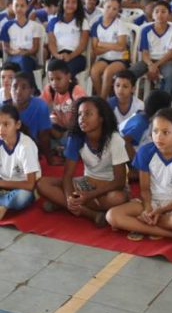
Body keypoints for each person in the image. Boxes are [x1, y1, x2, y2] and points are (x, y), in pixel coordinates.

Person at [107, 108, 172, 241]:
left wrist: (160, 212)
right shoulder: (145, 152)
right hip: (152, 201)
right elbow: (144, 189)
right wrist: (148, 208)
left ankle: (143, 223)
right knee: (111, 215)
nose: (158, 137)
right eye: (155, 131)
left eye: (166, 132)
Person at [37, 96, 128, 227]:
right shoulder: (76, 137)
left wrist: (89, 196)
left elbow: (119, 182)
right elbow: (67, 176)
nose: (82, 118)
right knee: (42, 183)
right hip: (86, 182)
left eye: (88, 114)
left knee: (118, 198)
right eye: (79, 114)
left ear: (101, 118)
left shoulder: (115, 139)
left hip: (108, 187)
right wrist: (70, 199)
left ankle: (60, 203)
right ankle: (90, 213)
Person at [129, 1, 172, 98]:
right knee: (129, 74)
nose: (160, 14)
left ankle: (165, 104)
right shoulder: (146, 30)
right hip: (148, 60)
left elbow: (171, 53)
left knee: (171, 75)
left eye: (163, 12)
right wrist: (151, 65)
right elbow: (144, 53)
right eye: (156, 12)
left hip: (167, 60)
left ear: (169, 15)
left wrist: (155, 65)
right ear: (152, 15)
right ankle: (130, 100)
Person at [90, 0, 130, 98]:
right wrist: (113, 46)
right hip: (103, 58)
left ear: (118, 10)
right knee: (94, 71)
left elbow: (122, 47)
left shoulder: (120, 24)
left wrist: (102, 44)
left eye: (115, 9)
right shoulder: (96, 25)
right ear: (103, 5)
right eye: (108, 7)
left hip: (119, 59)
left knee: (108, 73)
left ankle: (102, 102)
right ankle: (102, 97)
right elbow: (96, 50)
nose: (110, 11)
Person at [41, 58, 86, 141]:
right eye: (51, 79)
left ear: (68, 76)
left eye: (58, 79)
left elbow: (83, 110)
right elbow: (39, 105)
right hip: (59, 125)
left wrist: (72, 126)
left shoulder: (76, 90)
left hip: (76, 126)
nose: (54, 83)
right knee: (43, 123)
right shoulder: (50, 89)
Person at [47, 0, 90, 76]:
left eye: (74, 2)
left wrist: (70, 56)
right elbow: (51, 42)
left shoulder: (82, 21)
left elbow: (83, 44)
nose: (70, 5)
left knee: (66, 72)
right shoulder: (53, 21)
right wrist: (57, 55)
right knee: (53, 70)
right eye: (67, 2)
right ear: (62, 3)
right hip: (58, 56)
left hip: (76, 56)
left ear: (78, 5)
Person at [0, 0, 41, 73]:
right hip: (13, 57)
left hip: (30, 57)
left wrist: (25, 53)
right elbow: (5, 47)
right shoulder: (6, 25)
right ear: (12, 7)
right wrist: (14, 52)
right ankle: (30, 85)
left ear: (27, 7)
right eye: (16, 5)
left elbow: (35, 47)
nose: (19, 8)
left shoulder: (35, 26)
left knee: (24, 61)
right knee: (21, 61)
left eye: (22, 6)